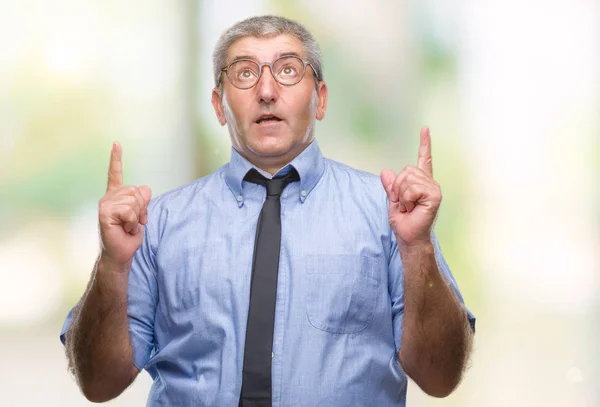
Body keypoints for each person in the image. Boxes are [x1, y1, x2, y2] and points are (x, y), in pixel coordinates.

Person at [60, 15, 476, 407]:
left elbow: (440, 378)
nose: (266, 90)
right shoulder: (157, 223)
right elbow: (98, 383)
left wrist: (417, 246)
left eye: (289, 70)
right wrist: (113, 264)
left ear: (321, 98)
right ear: (219, 105)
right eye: (244, 72)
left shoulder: (389, 215)